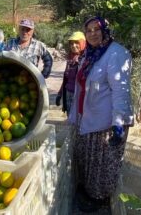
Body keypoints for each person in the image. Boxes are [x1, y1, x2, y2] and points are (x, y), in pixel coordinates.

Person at [67, 16, 134, 212]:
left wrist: (118, 122)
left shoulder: (116, 54)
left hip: (106, 122)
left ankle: (98, 201)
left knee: (102, 164)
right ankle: (89, 192)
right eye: (88, 30)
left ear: (105, 30)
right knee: (88, 160)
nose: (93, 33)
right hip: (88, 116)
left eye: (97, 29)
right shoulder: (91, 54)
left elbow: (121, 91)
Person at [56, 31, 86, 115]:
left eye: (77, 43)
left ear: (83, 43)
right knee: (71, 120)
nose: (73, 46)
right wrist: (60, 94)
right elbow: (66, 78)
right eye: (71, 43)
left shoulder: (86, 59)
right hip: (69, 94)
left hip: (80, 96)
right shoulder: (70, 58)